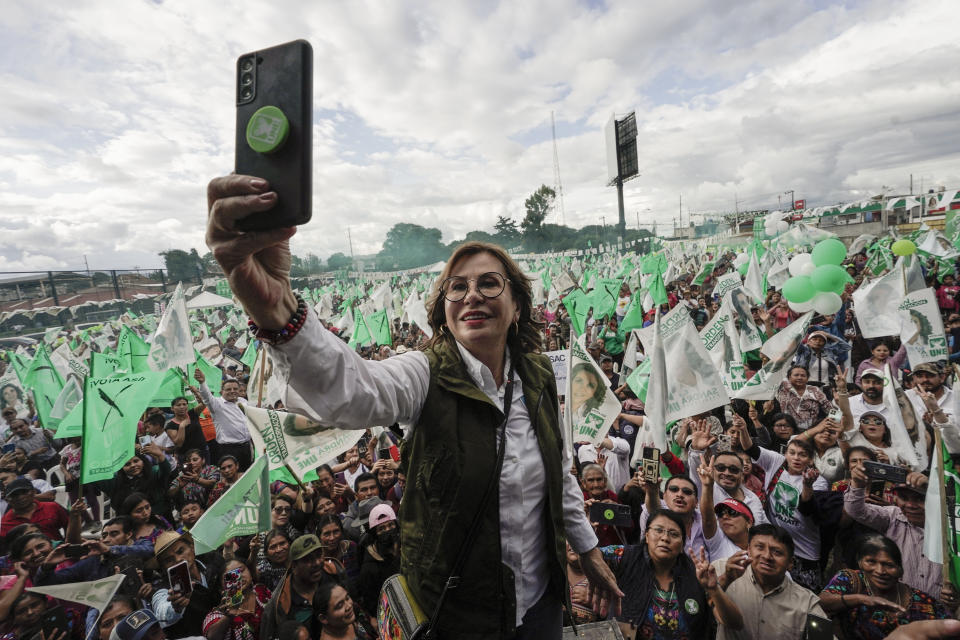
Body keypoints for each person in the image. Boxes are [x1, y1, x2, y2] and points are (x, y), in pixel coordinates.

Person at [208, 178, 619, 637]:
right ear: (443, 310)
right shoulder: (424, 375)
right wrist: (277, 311)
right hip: (461, 615)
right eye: (456, 288)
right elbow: (353, 391)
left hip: (541, 600)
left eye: (489, 283)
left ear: (518, 305)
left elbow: (560, 473)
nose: (472, 295)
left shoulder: (540, 375)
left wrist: (588, 550)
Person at [599, 510, 743, 638]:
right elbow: (586, 556)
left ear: (682, 545)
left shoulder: (697, 575)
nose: (665, 538)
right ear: (647, 536)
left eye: (674, 534)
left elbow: (734, 623)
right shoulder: (625, 556)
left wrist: (714, 589)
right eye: (658, 530)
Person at [843, 465, 950, 602]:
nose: (910, 505)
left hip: (939, 613)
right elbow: (856, 511)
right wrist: (858, 484)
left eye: (920, 499)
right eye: (904, 498)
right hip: (898, 607)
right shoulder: (893, 516)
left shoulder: (952, 527)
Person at [820, 534, 950, 639]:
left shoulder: (923, 602)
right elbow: (822, 601)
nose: (880, 571)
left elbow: (948, 628)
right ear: (860, 562)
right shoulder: (851, 580)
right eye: (871, 562)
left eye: (889, 565)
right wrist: (862, 599)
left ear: (900, 570)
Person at [714, 524, 829, 640]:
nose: (767, 556)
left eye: (777, 552)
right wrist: (725, 580)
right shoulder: (722, 570)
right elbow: (703, 602)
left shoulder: (807, 603)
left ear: (790, 563)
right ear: (748, 550)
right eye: (759, 547)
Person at [150, 530, 225, 637]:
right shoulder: (163, 589)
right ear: (163, 568)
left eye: (180, 551)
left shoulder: (214, 561)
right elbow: (162, 611)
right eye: (169, 560)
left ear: (192, 548)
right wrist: (175, 607)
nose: (178, 559)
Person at [259, 534, 331, 639]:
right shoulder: (280, 603)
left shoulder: (334, 573)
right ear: (294, 566)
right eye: (308, 560)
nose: (317, 562)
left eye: (319, 555)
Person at [193, 368, 252, 471]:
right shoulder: (217, 404)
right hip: (230, 450)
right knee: (234, 479)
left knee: (248, 474)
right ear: (222, 391)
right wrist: (202, 382)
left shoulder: (243, 401)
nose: (232, 391)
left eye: (235, 389)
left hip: (247, 447)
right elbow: (207, 397)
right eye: (228, 389)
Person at [202, 559, 271, 640]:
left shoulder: (261, 590)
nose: (239, 576)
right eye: (230, 577)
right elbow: (212, 637)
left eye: (241, 570)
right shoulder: (216, 614)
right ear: (221, 588)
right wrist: (228, 616)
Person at [357, 503, 401, 616]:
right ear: (375, 534)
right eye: (381, 528)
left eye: (391, 525)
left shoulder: (405, 548)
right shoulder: (369, 569)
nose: (388, 530)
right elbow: (373, 604)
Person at [0, 477, 72, 541]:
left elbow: (70, 525)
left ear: (34, 492)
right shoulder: (5, 522)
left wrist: (67, 543)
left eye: (24, 492)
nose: (20, 497)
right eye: (14, 495)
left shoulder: (52, 507)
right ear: (7, 500)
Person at [775, 365, 833, 430]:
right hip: (787, 430)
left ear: (807, 378)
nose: (799, 378)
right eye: (796, 375)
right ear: (789, 377)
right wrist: (769, 401)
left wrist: (834, 423)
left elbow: (830, 409)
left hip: (811, 431)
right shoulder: (782, 390)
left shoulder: (815, 390)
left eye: (803, 375)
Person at [165, 395, 209, 462]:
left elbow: (205, 402)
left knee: (206, 471)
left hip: (202, 452)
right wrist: (182, 426)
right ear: (172, 408)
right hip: (186, 456)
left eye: (184, 404)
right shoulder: (170, 426)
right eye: (178, 405)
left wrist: (195, 392)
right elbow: (179, 444)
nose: (182, 407)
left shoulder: (192, 413)